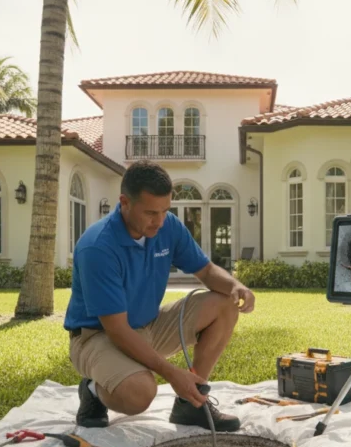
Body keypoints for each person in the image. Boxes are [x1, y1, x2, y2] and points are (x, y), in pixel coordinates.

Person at [64, 160, 255, 432]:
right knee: (140, 393)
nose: (160, 221)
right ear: (125, 203)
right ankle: (93, 390)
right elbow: (117, 330)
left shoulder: (168, 226)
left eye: (166, 210)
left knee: (225, 304)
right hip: (96, 336)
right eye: (151, 213)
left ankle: (191, 404)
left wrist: (235, 285)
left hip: (149, 326)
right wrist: (172, 373)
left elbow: (206, 270)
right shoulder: (98, 247)